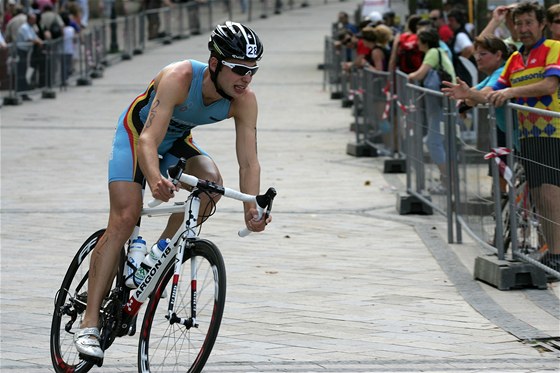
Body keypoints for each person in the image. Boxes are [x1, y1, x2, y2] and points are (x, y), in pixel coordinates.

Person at [73, 21, 272, 360]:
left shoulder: (244, 100)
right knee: (124, 217)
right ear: (214, 64)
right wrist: (154, 179)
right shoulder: (180, 77)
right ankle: (89, 324)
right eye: (239, 69)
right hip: (135, 137)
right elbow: (148, 138)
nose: (246, 78)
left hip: (177, 142)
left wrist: (251, 209)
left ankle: (159, 249)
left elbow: (249, 163)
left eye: (252, 70)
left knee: (212, 188)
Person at [485, 2, 560, 271]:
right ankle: (553, 254)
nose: (523, 29)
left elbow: (550, 84)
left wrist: (511, 93)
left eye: (529, 22)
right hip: (528, 135)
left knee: (551, 195)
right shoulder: (515, 59)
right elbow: (494, 89)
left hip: (554, 132)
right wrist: (468, 95)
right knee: (540, 197)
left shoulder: (554, 48)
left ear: (541, 24)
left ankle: (557, 256)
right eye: (519, 24)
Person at [442, 35, 516, 197]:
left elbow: (482, 96)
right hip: (509, 132)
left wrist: (468, 96)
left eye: (483, 54)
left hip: (519, 134)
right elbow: (472, 96)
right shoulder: (493, 74)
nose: (478, 58)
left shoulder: (501, 71)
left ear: (498, 55)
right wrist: (467, 97)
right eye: (477, 54)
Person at [408, 28, 456, 194]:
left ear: (425, 42)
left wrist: (408, 76)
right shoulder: (441, 50)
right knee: (439, 141)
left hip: (441, 105)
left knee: (433, 142)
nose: (416, 44)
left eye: (418, 40)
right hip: (443, 104)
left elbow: (420, 75)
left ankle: (447, 181)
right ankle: (447, 180)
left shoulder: (432, 52)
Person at [15, 12, 43, 100]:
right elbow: (29, 38)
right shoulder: (25, 28)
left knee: (25, 72)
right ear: (29, 19)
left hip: (27, 52)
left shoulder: (31, 28)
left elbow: (35, 37)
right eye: (33, 19)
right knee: (22, 72)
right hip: (21, 51)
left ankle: (24, 92)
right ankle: (21, 92)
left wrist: (39, 41)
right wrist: (38, 42)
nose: (35, 21)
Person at [447, 7, 476, 86]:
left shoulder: (461, 35)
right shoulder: (459, 34)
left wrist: (462, 63)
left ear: (458, 21)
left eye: (451, 20)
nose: (449, 23)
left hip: (464, 75)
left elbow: (469, 49)